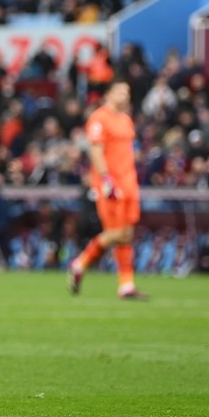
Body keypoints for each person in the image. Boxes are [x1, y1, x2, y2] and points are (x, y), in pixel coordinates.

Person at [68, 80, 147, 299]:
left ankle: (126, 285)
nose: (125, 95)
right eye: (121, 91)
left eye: (128, 91)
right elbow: (96, 151)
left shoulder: (126, 120)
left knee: (127, 234)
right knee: (117, 233)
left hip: (129, 182)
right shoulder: (99, 118)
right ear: (109, 94)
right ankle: (80, 263)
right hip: (111, 184)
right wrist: (107, 179)